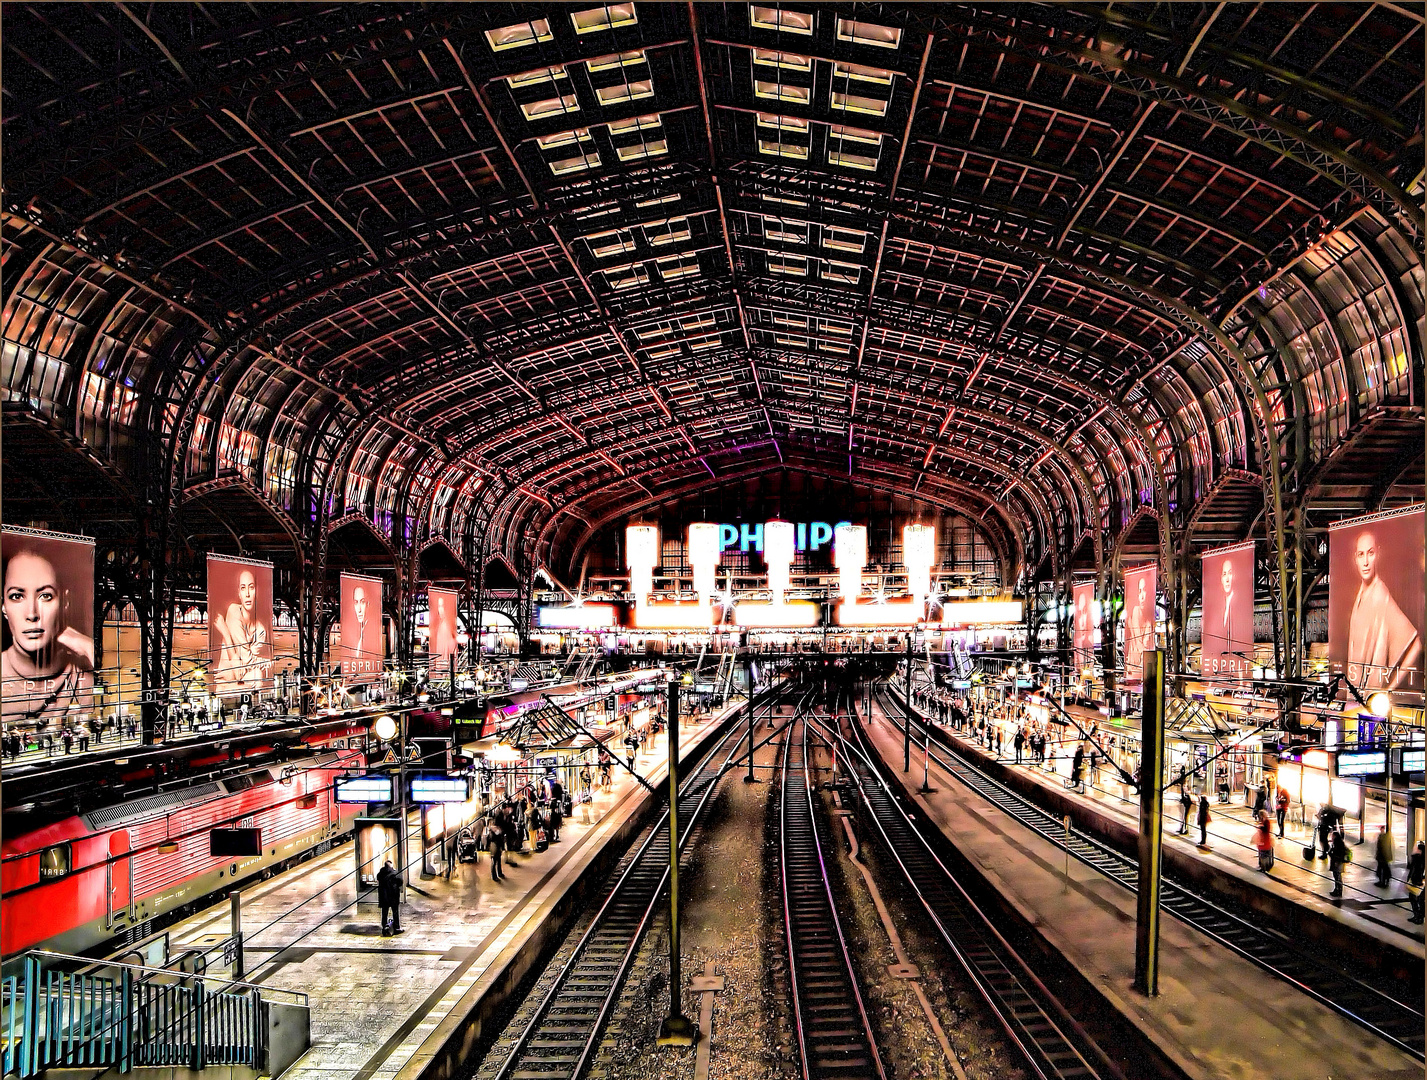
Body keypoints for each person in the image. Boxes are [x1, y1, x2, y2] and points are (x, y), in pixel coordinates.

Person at [1, 548, 95, 726]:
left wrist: (86, 644)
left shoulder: (83, 675)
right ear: (4, 607)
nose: (32, 614)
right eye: (17, 596)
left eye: (45, 596)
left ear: (64, 603)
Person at [1346, 529, 1422, 692]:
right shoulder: (1361, 594)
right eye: (1361, 554)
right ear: (1356, 559)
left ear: (1378, 554)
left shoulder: (1380, 594)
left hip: (1370, 697)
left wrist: (1389, 689)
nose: (1365, 562)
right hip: (1356, 693)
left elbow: (1416, 644)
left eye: (1370, 553)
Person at [213, 568, 271, 694]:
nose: (248, 594)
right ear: (239, 593)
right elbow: (241, 664)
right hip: (226, 684)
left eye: (251, 587)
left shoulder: (260, 629)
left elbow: (245, 664)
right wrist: (227, 635)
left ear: (257, 591)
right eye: (243, 588)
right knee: (258, 675)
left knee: (257, 675)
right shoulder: (234, 611)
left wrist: (254, 663)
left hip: (244, 682)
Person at [376, 860, 401, 934]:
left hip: (384, 898)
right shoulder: (394, 874)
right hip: (393, 897)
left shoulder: (380, 874)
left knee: (384, 913)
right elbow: (400, 882)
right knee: (395, 912)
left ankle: (384, 926)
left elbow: (378, 878)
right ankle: (396, 927)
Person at [1328, 827, 1350, 898]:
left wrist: (1330, 853)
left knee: (1338, 877)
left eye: (1332, 836)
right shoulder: (1337, 843)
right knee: (1337, 877)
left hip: (1337, 863)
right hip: (1337, 863)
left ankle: (1338, 891)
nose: (1331, 837)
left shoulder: (1337, 844)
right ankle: (1337, 890)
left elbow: (1336, 854)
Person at [1407, 841, 1425, 924]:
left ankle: (1418, 916)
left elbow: (1413, 870)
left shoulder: (1418, 859)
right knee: (1419, 900)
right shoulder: (1419, 858)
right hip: (1419, 881)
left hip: (1417, 881)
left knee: (1416, 899)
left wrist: (1409, 879)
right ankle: (1419, 916)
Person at [1253, 808, 1275, 872]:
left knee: (1264, 855)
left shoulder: (1266, 821)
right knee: (1262, 854)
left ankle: (1264, 867)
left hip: (1265, 841)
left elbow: (1266, 830)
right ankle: (1262, 866)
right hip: (1262, 841)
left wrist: (1260, 827)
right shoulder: (1263, 821)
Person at [486, 810, 506, 881]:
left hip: (495, 845)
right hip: (495, 845)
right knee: (494, 860)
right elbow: (492, 837)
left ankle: (498, 873)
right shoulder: (494, 828)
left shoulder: (494, 827)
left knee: (497, 859)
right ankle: (494, 875)